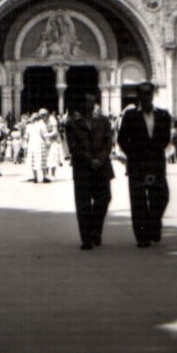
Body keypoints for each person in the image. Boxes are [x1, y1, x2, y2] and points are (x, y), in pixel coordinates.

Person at [115, 81, 172, 248]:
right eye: (143, 94)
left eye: (149, 94)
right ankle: (142, 236)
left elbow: (166, 137)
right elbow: (121, 139)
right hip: (137, 164)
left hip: (156, 163)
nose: (147, 98)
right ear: (138, 96)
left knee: (161, 196)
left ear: (153, 95)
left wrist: (154, 151)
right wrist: (133, 154)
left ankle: (154, 223)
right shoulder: (130, 116)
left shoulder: (163, 115)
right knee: (138, 200)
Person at [64, 91, 113, 250]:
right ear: (81, 105)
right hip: (83, 168)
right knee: (83, 204)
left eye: (93, 103)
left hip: (102, 167)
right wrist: (89, 160)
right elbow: (73, 147)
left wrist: (100, 159)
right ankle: (86, 238)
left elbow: (108, 143)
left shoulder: (104, 121)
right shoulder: (72, 123)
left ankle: (95, 231)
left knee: (104, 199)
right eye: (88, 103)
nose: (91, 106)